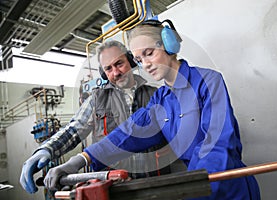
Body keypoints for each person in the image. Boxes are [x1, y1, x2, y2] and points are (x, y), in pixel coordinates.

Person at [43, 20, 261, 199]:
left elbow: (215, 146)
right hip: (195, 186)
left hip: (225, 188)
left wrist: (192, 189)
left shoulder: (208, 81)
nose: (145, 64)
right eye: (139, 59)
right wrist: (82, 159)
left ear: (168, 46)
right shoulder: (160, 100)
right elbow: (127, 134)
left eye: (149, 53)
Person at [20, 40, 171, 194]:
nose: (116, 72)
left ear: (131, 61)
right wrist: (46, 149)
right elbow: (74, 129)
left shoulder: (155, 94)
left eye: (119, 64)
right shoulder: (96, 100)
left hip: (154, 184)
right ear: (103, 72)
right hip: (112, 188)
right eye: (108, 68)